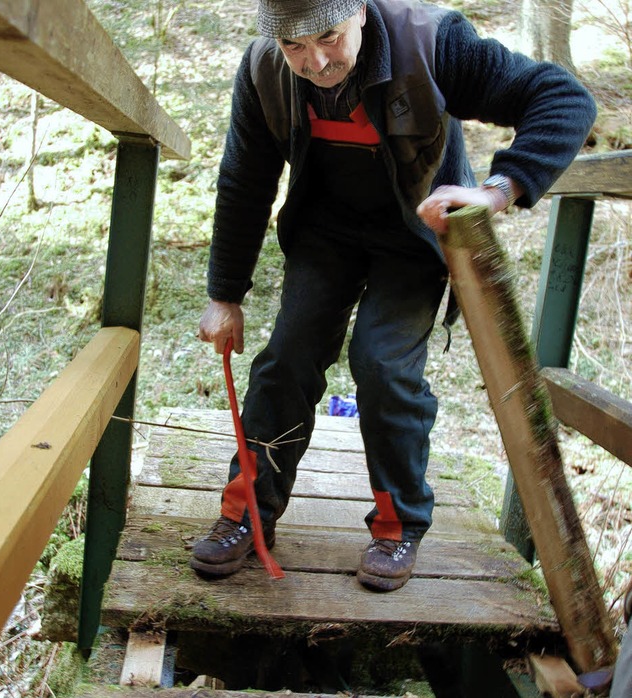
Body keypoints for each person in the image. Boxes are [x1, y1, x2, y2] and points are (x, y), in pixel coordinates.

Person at [189, 0, 596, 591]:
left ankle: (397, 525)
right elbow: (245, 180)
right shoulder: (263, 72)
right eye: (294, 46)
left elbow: (563, 99)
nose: (316, 61)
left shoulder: (429, 42)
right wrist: (225, 293)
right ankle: (247, 516)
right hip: (325, 234)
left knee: (382, 367)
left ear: (357, 12)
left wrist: (500, 188)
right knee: (285, 360)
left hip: (413, 234)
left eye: (328, 36)